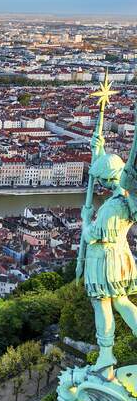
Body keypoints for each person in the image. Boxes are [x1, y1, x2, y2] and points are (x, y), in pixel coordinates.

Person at [81, 134, 137, 373]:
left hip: (103, 259)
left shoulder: (112, 207)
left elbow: (91, 235)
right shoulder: (126, 199)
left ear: (106, 180)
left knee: (102, 304)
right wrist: (100, 148)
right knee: (121, 301)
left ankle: (105, 354)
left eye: (102, 180)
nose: (100, 185)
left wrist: (84, 221)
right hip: (121, 255)